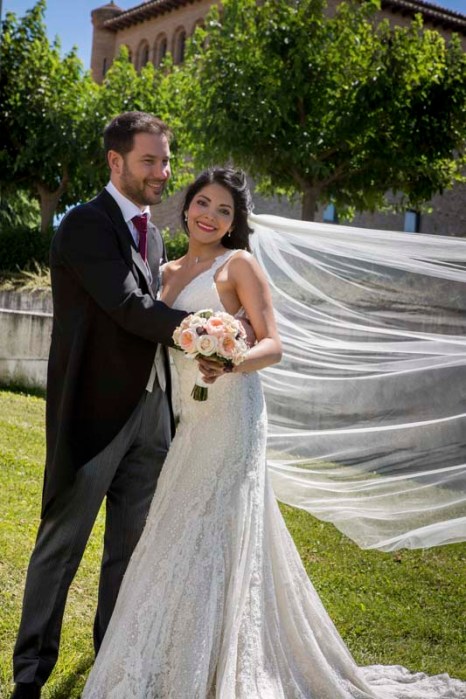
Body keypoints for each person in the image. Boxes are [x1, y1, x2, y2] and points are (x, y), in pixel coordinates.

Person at [82, 167, 466, 698]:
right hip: (186, 417)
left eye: (224, 211)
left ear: (234, 223)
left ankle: (223, 657)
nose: (210, 216)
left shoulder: (239, 265)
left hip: (233, 413)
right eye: (203, 203)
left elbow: (273, 344)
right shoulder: (163, 270)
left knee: (218, 525)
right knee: (176, 523)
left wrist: (231, 360)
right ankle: (169, 653)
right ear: (186, 206)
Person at [10, 112, 190, 699]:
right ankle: (30, 676)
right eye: (149, 160)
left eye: (166, 160)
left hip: (152, 411)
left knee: (129, 550)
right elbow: (128, 307)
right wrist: (203, 330)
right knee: (62, 547)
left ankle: (110, 664)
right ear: (116, 161)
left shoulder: (154, 236)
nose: (162, 172)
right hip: (94, 412)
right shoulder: (85, 225)